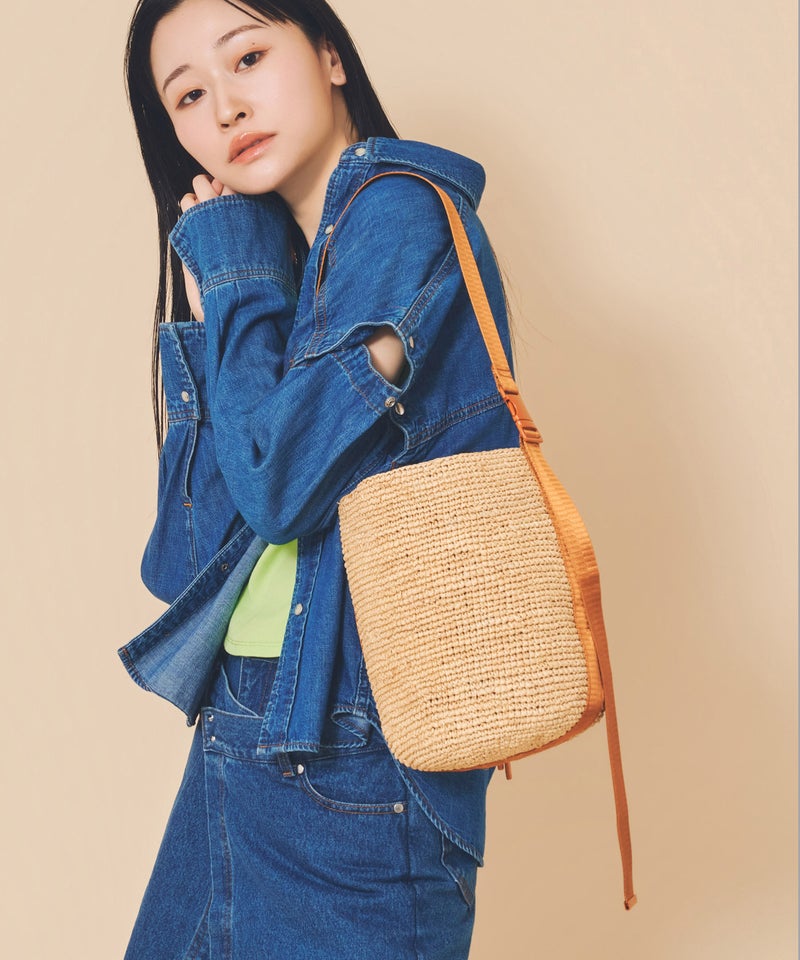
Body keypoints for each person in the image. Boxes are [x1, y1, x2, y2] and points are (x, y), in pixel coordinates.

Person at [120, 0, 521, 956]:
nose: (226, 107)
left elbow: (277, 487)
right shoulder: (284, 272)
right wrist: (232, 298)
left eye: (248, 57)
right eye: (188, 96)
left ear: (331, 55)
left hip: (354, 765)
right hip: (239, 731)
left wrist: (233, 277)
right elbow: (184, 561)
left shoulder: (401, 213)